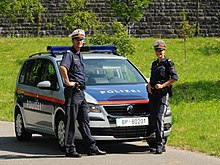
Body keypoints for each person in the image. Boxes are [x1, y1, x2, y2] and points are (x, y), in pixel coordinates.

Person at [59, 29, 106, 157]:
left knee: (84, 120)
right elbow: (62, 67)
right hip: (73, 92)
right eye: (77, 39)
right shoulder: (69, 54)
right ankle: (69, 149)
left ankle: (91, 147)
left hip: (81, 93)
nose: (79, 42)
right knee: (71, 121)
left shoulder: (79, 54)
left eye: (81, 39)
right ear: (73, 41)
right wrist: (68, 82)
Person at [147, 40, 178, 154]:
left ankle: (160, 145)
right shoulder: (155, 64)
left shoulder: (168, 63)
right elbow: (151, 78)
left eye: (161, 50)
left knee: (160, 118)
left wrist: (162, 85)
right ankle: (158, 144)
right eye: (157, 50)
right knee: (154, 119)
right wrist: (149, 85)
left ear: (164, 50)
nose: (159, 53)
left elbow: (175, 77)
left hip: (163, 94)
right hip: (153, 95)